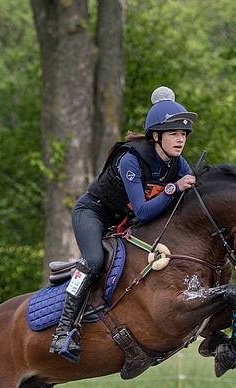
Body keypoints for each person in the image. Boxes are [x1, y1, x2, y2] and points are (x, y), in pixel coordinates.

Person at [49, 86, 198, 362]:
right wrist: (173, 188)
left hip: (122, 221)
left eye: (183, 134)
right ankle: (63, 329)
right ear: (156, 136)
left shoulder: (179, 164)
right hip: (93, 213)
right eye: (174, 134)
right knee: (93, 261)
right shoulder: (131, 158)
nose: (180, 140)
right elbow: (142, 211)